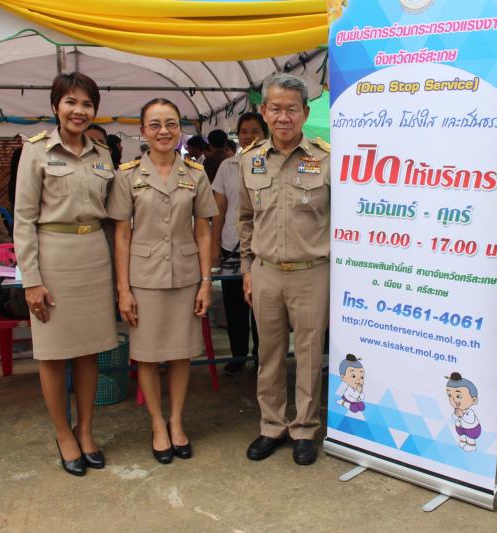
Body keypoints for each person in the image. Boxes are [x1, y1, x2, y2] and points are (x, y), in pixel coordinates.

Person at [14, 72, 118, 477]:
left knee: (90, 351)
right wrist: (32, 281)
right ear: (55, 106)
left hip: (94, 257)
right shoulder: (36, 151)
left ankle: (85, 430)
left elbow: (111, 219)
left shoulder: (102, 154)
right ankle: (64, 434)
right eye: (71, 102)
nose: (79, 110)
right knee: (54, 354)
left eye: (87, 104)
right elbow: (23, 221)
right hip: (53, 259)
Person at [107, 98, 217, 464]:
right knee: (148, 356)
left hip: (185, 277)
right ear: (143, 131)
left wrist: (206, 281)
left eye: (170, 123)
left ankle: (177, 422)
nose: (163, 131)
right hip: (144, 279)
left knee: (182, 353)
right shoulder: (127, 175)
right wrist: (123, 289)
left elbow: (203, 231)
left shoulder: (196, 174)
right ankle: (157, 424)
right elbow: (122, 235)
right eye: (154, 124)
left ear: (180, 130)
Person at [239, 73, 330, 466]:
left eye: (292, 109)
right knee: (270, 353)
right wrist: (247, 268)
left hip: (312, 272)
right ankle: (272, 425)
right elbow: (246, 219)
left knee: (308, 355)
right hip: (265, 272)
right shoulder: (250, 160)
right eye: (275, 108)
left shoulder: (326, 158)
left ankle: (305, 428)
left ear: (305, 113)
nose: (283, 117)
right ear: (263, 111)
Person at [211, 112, 267, 376]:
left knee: (262, 308)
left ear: (265, 134)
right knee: (234, 307)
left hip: (263, 246)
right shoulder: (227, 166)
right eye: (244, 131)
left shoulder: (271, 163)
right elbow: (219, 209)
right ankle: (238, 355)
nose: (248, 136)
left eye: (255, 131)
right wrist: (214, 246)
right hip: (231, 244)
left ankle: (261, 357)